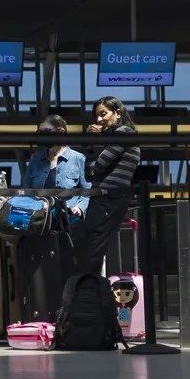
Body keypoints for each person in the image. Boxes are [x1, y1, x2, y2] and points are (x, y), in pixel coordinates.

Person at [79, 96, 140, 275]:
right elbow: (90, 170)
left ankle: (88, 290)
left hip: (108, 198)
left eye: (103, 114)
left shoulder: (123, 133)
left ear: (118, 113)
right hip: (106, 198)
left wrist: (93, 143)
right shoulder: (116, 136)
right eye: (97, 116)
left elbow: (97, 166)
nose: (98, 120)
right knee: (93, 247)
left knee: (92, 248)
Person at [22, 114, 91, 221]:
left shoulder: (78, 158)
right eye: (40, 132)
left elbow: (87, 192)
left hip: (69, 218)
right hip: (40, 219)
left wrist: (79, 208)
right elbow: (27, 190)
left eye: (47, 131)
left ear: (61, 131)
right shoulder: (35, 159)